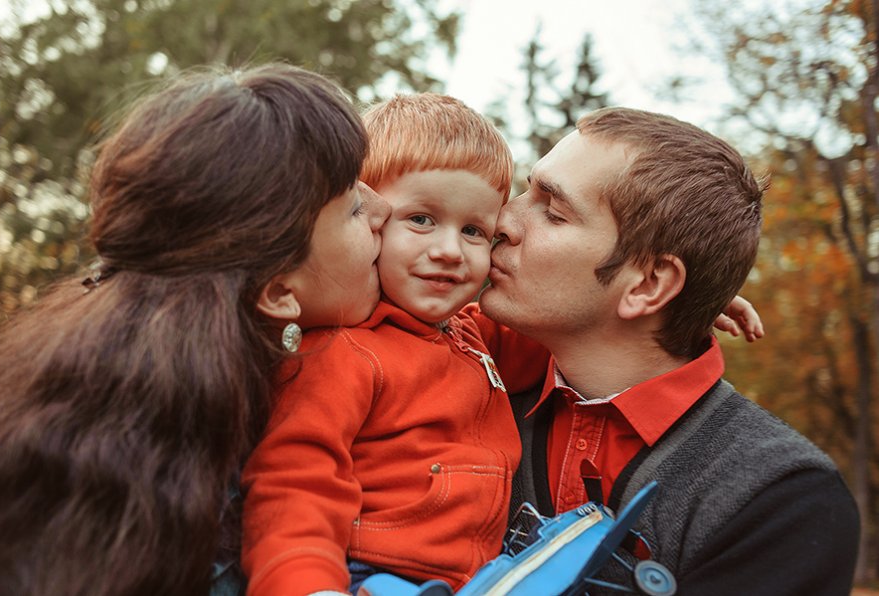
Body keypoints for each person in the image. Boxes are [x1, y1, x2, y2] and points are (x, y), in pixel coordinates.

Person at [239, 95, 763, 596]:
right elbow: (292, 490)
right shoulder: (342, 354)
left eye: (473, 230)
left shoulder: (473, 340)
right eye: (420, 220)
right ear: (371, 215)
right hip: (366, 576)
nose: (449, 250)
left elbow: (598, 331)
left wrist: (687, 301)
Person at [0, 63, 390, 596]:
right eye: (356, 208)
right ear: (278, 293)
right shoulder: (211, 511)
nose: (384, 208)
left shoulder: (61, 401)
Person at [480, 107, 860, 594]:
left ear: (650, 283)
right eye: (525, 190)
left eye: (553, 212)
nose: (502, 219)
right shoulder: (461, 384)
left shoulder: (784, 502)